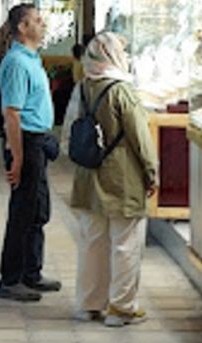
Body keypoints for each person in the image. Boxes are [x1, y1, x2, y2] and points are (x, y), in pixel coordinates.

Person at [68, 31, 158, 326]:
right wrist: (151, 172)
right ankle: (121, 307)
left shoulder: (83, 87)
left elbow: (70, 127)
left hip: (88, 174)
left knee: (92, 241)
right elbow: (140, 137)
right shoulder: (122, 91)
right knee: (125, 242)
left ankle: (88, 304)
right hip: (121, 177)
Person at [0, 3, 61, 302]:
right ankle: (10, 279)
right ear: (22, 27)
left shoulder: (32, 59)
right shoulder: (16, 63)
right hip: (27, 142)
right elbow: (11, 113)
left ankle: (30, 272)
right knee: (22, 212)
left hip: (39, 142)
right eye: (37, 20)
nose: (43, 23)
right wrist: (18, 156)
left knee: (38, 210)